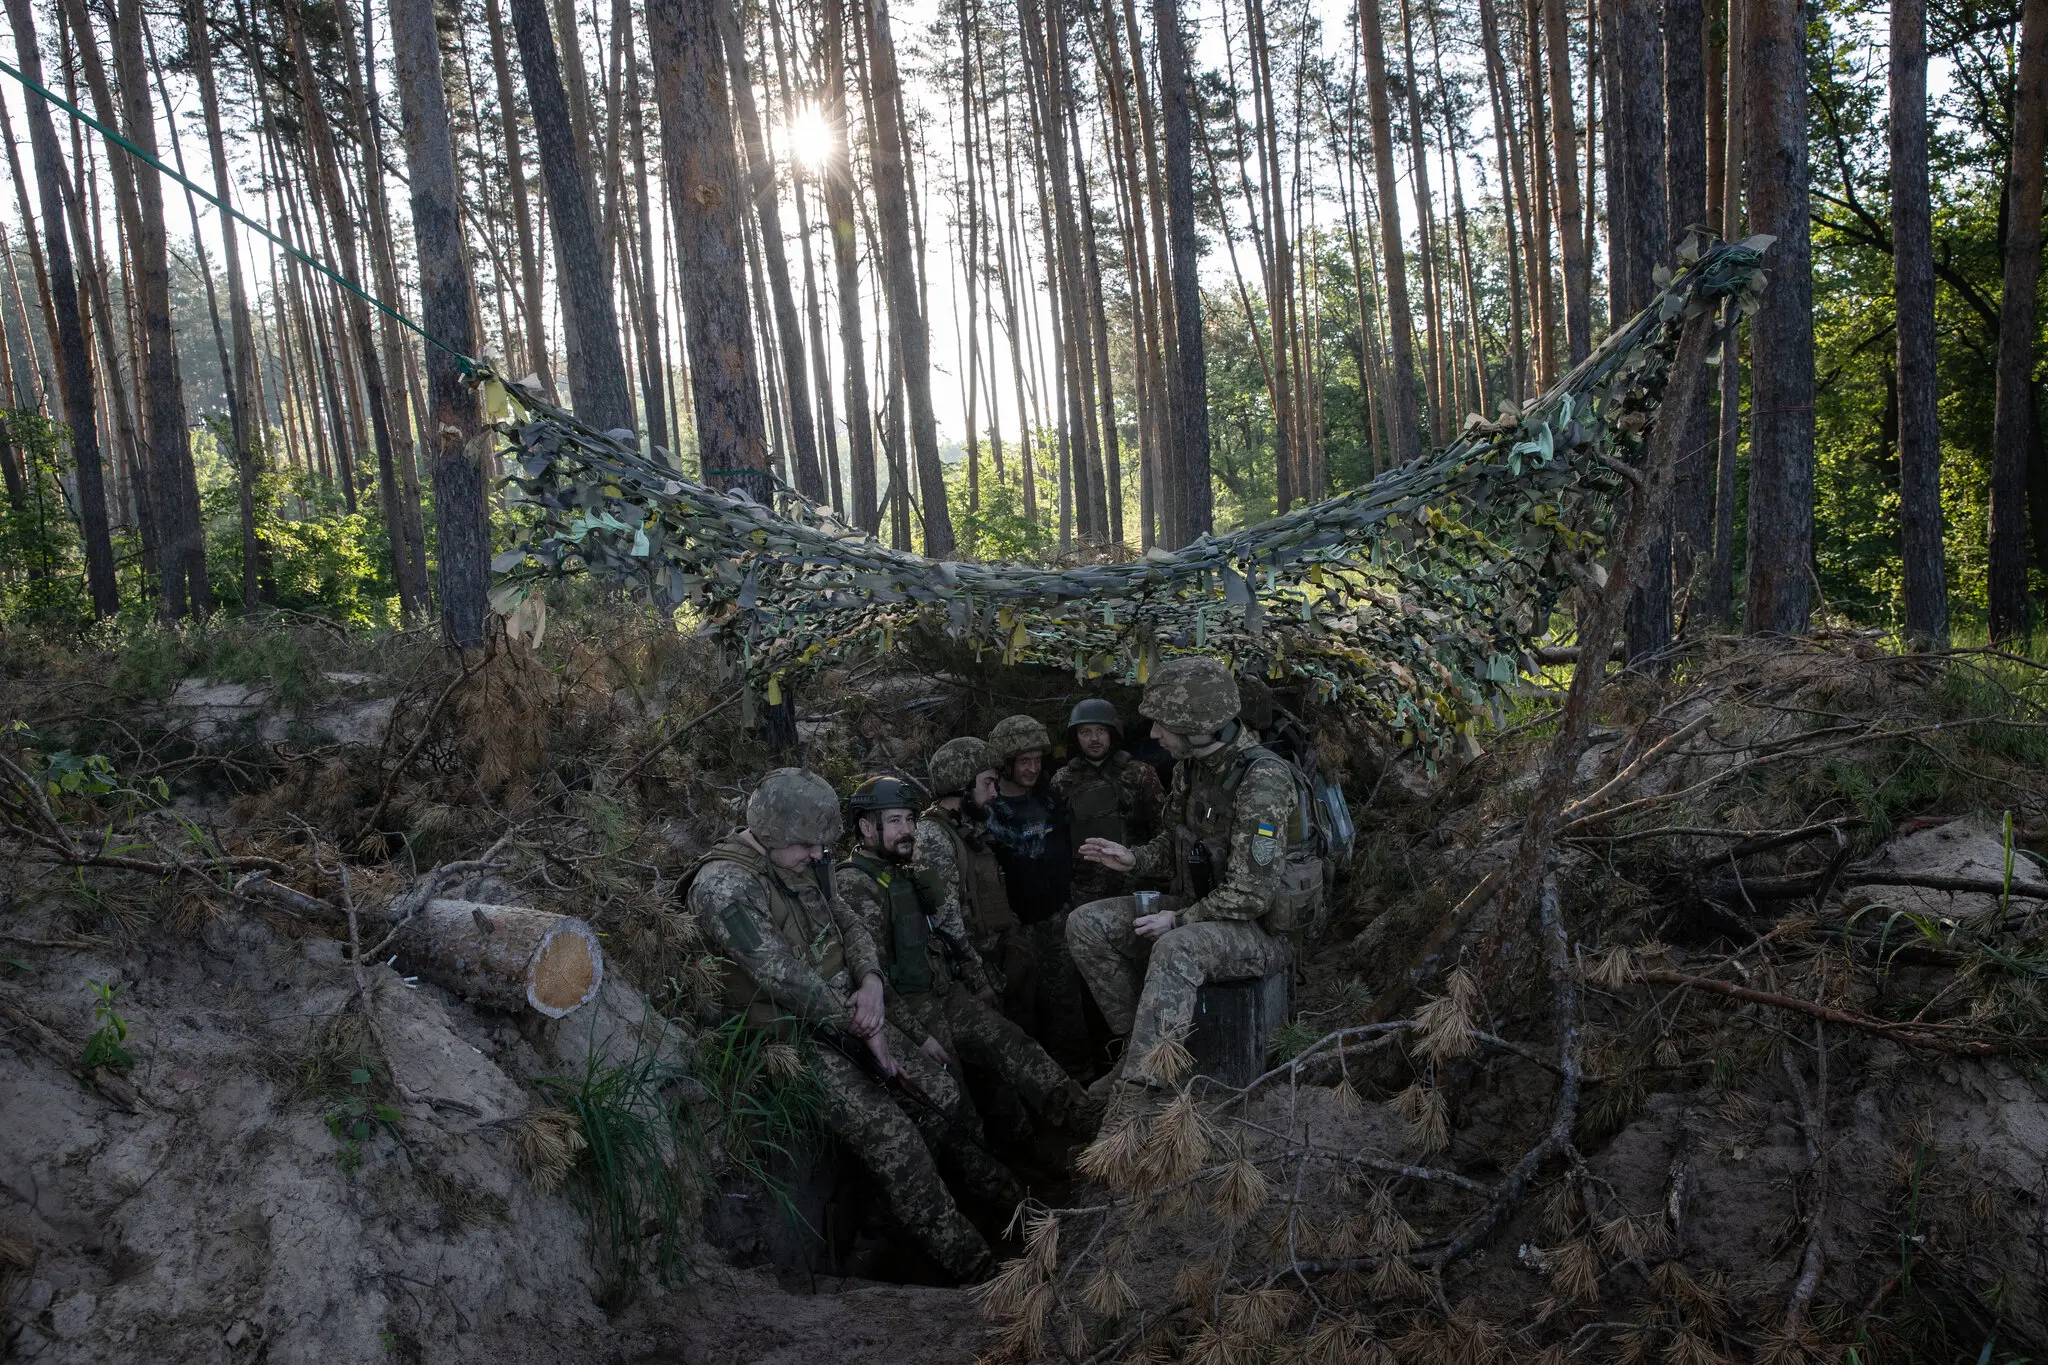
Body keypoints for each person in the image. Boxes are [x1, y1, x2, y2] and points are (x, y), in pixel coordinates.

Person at [686, 766, 1008, 1282]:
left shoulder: (806, 858)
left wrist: (872, 982)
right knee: (899, 1143)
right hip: (790, 1037)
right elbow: (779, 975)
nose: (818, 855)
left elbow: (848, 923)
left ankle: (887, 1221)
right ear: (769, 833)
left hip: (849, 1011)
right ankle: (979, 1270)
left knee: (941, 1095)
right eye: (806, 846)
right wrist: (866, 1028)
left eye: (820, 845)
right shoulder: (724, 886)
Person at [1065, 658, 1315, 1109]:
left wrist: (1179, 919)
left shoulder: (1262, 778)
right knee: (1086, 925)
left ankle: (1140, 1098)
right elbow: (1174, 841)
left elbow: (1251, 894)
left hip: (1257, 931)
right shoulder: (1191, 766)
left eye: (1162, 724)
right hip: (1197, 906)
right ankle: (1136, 1052)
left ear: (1195, 725)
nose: (1153, 735)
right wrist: (1133, 858)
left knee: (1175, 946)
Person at [837, 775, 1092, 1143]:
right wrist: (919, 1036)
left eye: (909, 819)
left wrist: (972, 979)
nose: (907, 830)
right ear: (866, 827)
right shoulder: (855, 884)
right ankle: (999, 1169)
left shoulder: (902, 869)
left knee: (1013, 1045)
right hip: (913, 1012)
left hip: (945, 994)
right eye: (894, 821)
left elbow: (941, 930)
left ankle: (1079, 1117)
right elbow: (873, 979)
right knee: (958, 1107)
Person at [979, 715, 1093, 1073]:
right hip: (1014, 930)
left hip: (1057, 919)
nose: (1032, 768)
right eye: (1023, 761)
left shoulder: (1049, 798)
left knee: (1067, 1007)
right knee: (1020, 1014)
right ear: (1006, 764)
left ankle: (1079, 1082)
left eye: (1036, 760)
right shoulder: (988, 812)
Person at [1050, 699, 1166, 906]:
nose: (1094, 738)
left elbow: (1163, 832)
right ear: (1076, 737)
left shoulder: (1140, 774)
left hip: (1134, 885)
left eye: (1101, 731)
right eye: (1085, 732)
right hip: (1084, 888)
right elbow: (1058, 840)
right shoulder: (1062, 780)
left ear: (1113, 733)